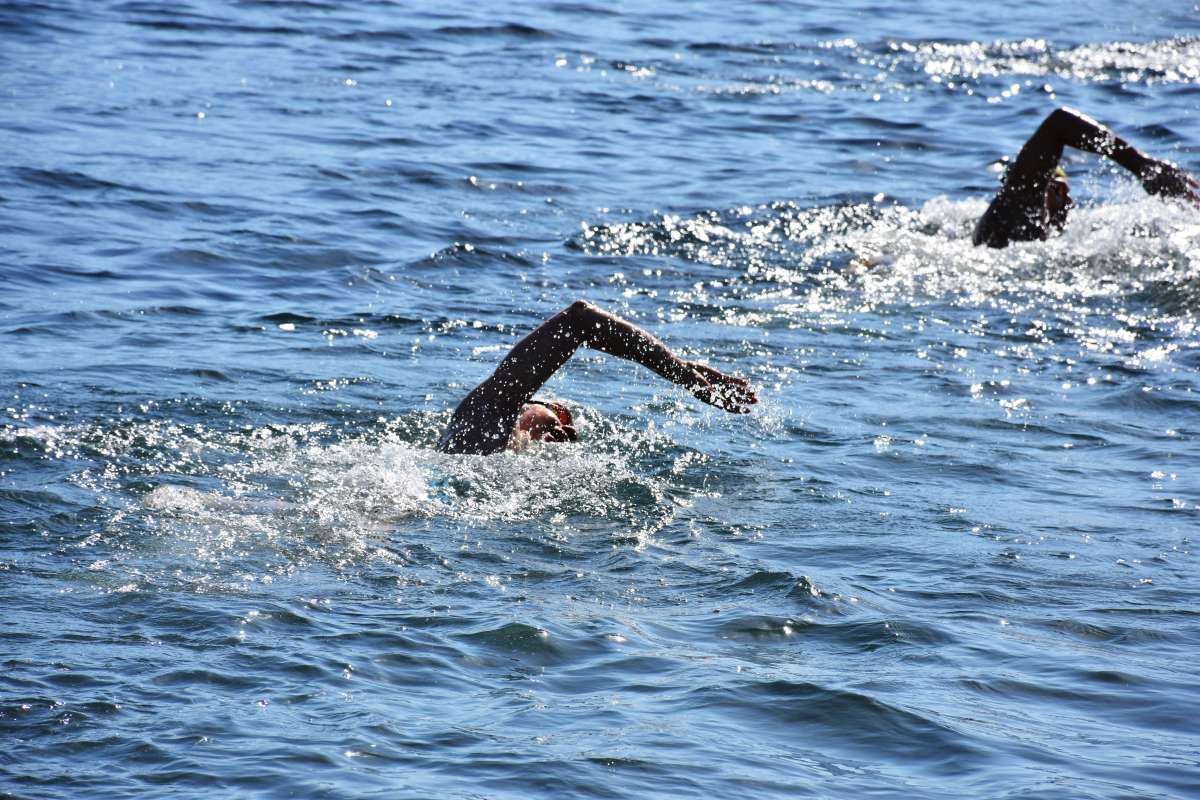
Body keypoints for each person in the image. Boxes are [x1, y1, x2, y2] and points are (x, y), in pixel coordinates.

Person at [437, 300, 757, 455]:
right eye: (553, 421)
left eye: (564, 431)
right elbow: (580, 319)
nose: (560, 431)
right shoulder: (481, 419)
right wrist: (680, 373)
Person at [973, 107, 1199, 248]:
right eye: (1061, 192)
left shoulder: (1037, 234)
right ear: (1043, 187)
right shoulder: (1015, 207)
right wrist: (1142, 165)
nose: (1069, 204)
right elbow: (1059, 122)